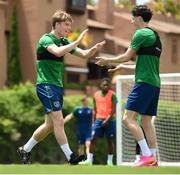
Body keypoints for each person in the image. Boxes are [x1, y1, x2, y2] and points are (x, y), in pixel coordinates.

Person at [17, 9, 105, 165]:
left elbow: (84, 55)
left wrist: (94, 49)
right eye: (66, 25)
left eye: (69, 26)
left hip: (57, 86)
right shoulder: (46, 39)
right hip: (46, 85)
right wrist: (76, 41)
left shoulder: (64, 41)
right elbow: (57, 52)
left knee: (50, 125)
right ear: (56, 24)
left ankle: (25, 149)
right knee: (59, 120)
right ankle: (70, 156)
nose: (68, 29)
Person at [96, 5, 162, 166]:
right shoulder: (155, 35)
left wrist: (107, 60)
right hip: (154, 84)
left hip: (144, 83)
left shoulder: (140, 33)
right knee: (146, 122)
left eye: (133, 18)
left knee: (128, 118)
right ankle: (153, 158)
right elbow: (143, 63)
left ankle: (146, 156)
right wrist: (122, 68)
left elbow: (126, 56)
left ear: (139, 18)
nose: (131, 21)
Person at [80, 78, 117, 166]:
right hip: (98, 120)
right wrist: (93, 122)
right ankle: (89, 160)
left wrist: (107, 120)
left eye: (107, 85)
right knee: (92, 139)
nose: (105, 86)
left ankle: (110, 162)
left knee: (110, 140)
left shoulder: (113, 95)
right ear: (101, 86)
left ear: (110, 86)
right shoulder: (96, 95)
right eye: (104, 85)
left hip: (110, 120)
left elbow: (113, 110)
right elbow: (95, 109)